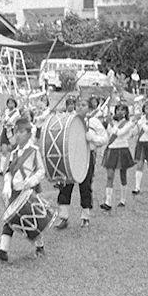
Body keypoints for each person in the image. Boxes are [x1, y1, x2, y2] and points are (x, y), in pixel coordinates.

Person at [0, 117, 46, 262]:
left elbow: (41, 171)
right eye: (16, 132)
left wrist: (31, 181)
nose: (17, 135)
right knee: (9, 219)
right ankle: (3, 250)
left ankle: (40, 245)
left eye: (21, 132)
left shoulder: (34, 151)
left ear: (28, 133)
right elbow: (8, 172)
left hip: (28, 191)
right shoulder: (14, 153)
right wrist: (6, 185)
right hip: (15, 190)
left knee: (32, 219)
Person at [55, 96, 108, 229]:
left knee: (85, 187)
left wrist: (93, 138)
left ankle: (85, 217)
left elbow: (104, 138)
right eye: (78, 105)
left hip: (86, 157)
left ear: (90, 108)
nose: (79, 107)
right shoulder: (68, 120)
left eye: (83, 105)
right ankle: (63, 217)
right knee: (65, 187)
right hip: (70, 157)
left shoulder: (94, 121)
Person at [100, 102, 135, 209]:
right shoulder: (112, 122)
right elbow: (109, 134)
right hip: (112, 149)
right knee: (110, 176)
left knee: (123, 176)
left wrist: (110, 123)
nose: (120, 111)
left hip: (122, 149)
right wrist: (109, 123)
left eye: (122, 110)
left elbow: (119, 133)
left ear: (126, 112)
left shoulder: (128, 123)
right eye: (118, 109)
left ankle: (123, 199)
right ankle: (108, 202)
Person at [0, 97, 20, 175]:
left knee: (10, 149)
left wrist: (6, 120)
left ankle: (9, 167)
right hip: (5, 130)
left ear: (15, 103)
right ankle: (1, 168)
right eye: (9, 103)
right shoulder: (6, 111)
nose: (10, 104)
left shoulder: (17, 112)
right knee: (4, 150)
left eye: (12, 103)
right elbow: (3, 121)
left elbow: (10, 121)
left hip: (12, 131)